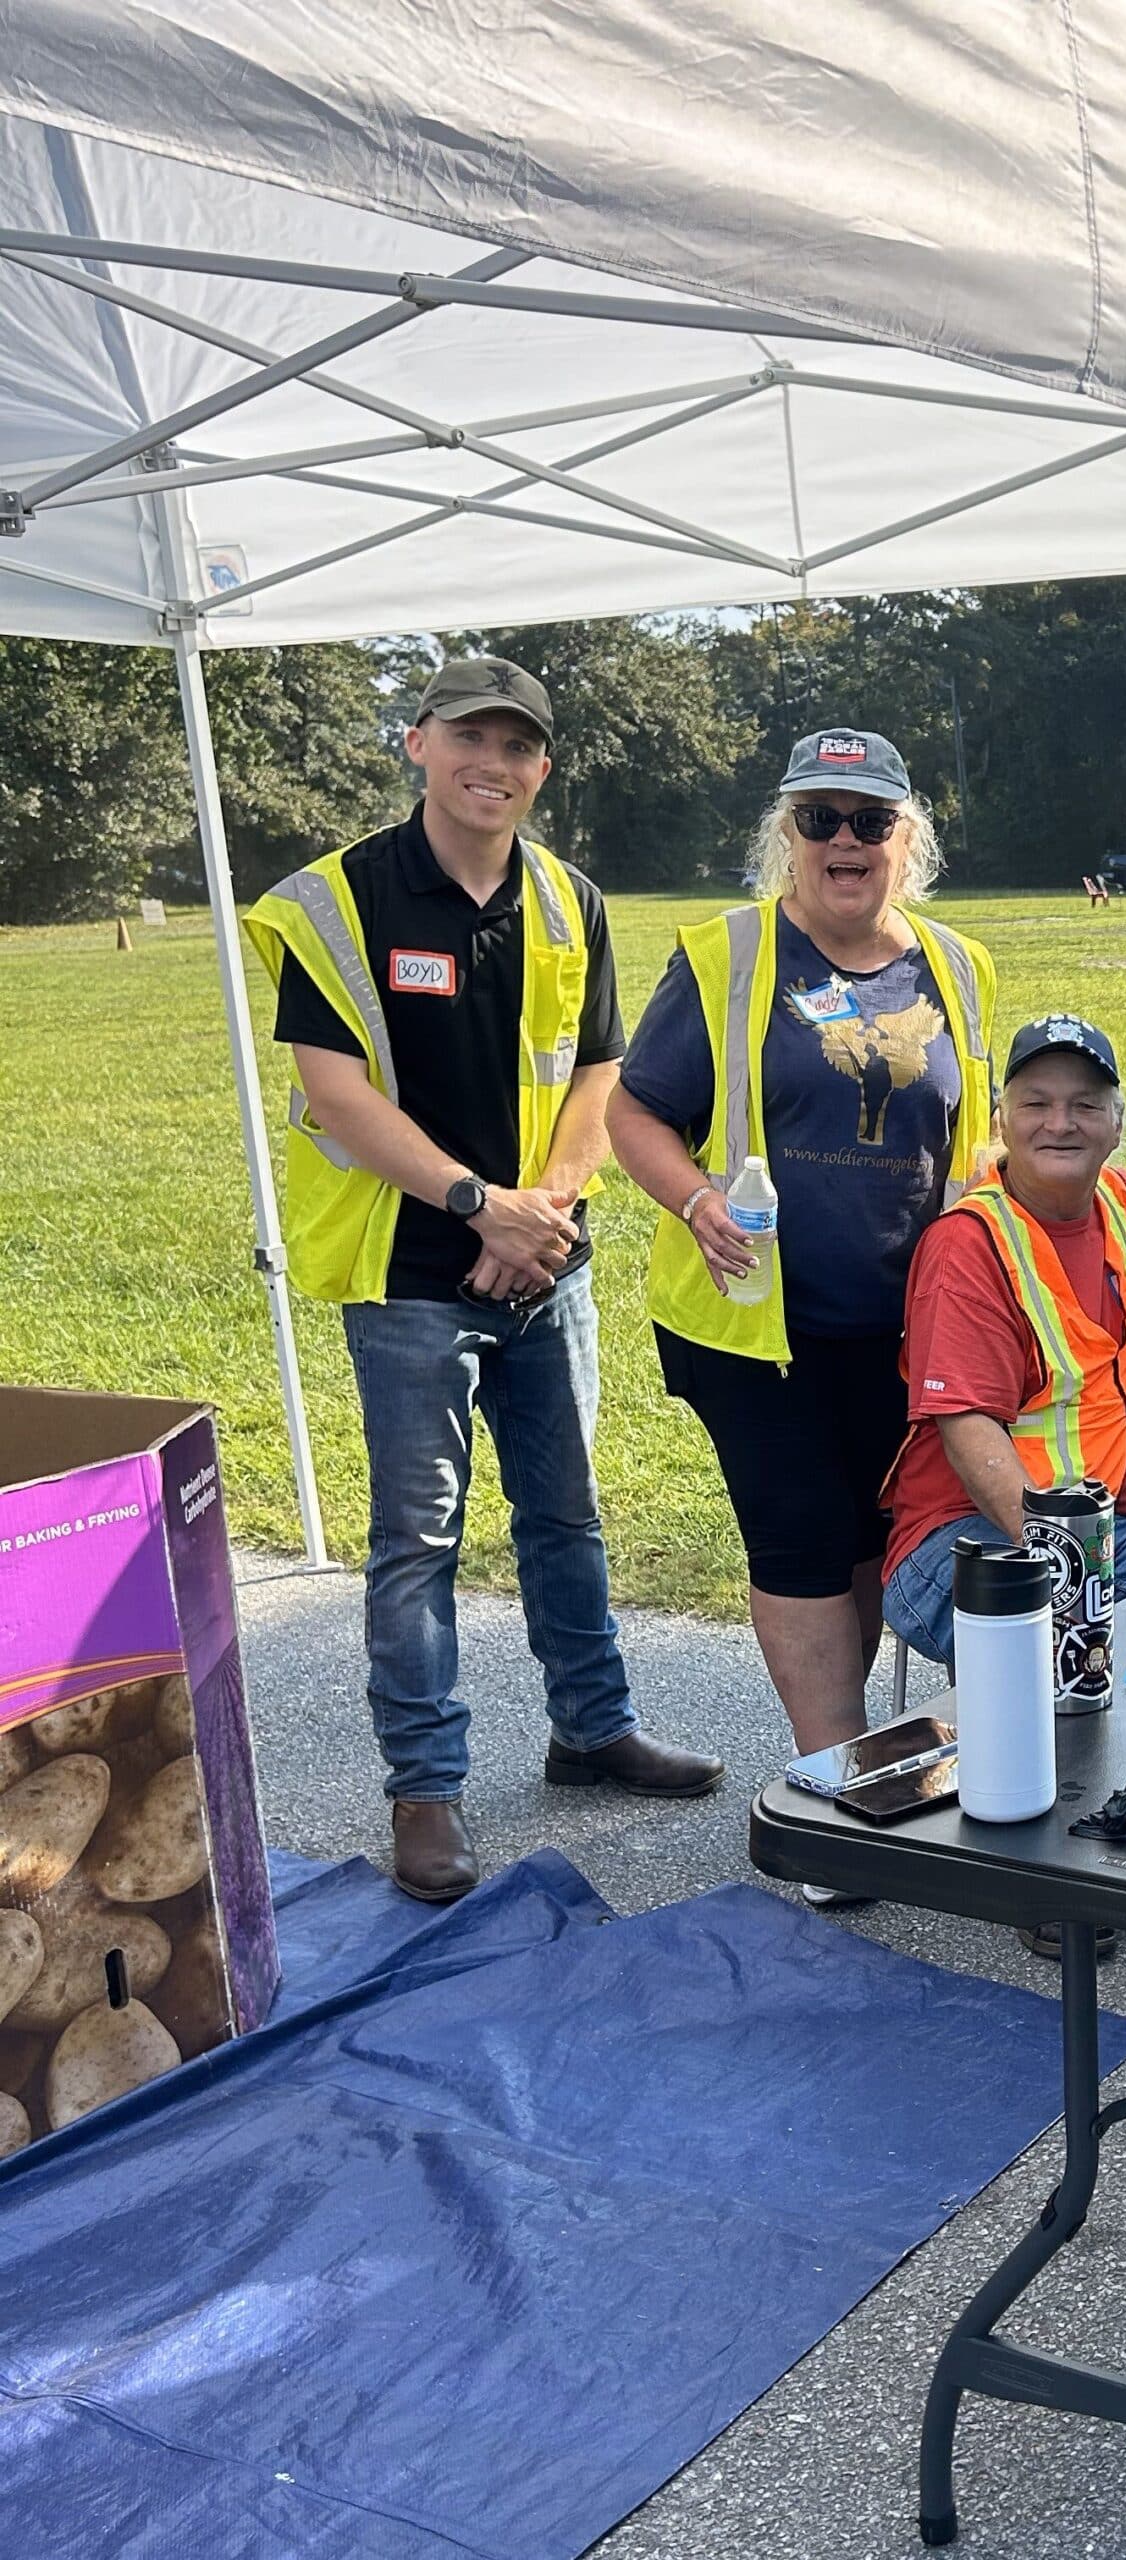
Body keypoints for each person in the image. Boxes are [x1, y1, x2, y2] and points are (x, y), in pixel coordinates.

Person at [243, 656, 720, 1906]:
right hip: (409, 1270)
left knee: (565, 1517)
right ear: (417, 743)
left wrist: (540, 1217)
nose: (490, 764)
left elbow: (597, 1075)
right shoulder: (340, 902)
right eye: (468, 737)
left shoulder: (571, 900)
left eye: (516, 746)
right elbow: (334, 1094)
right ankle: (425, 1787)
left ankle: (591, 1728)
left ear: (542, 768)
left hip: (543, 1265)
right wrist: (475, 1204)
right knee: (418, 1541)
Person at [607, 728, 996, 1759]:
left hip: (909, 1324)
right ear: (788, 833)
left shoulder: (958, 965)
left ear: (905, 839)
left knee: (870, 1538)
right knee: (803, 1540)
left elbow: (976, 1129)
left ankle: (856, 1757)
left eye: (869, 820)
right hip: (755, 1326)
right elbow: (636, 1112)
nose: (844, 839)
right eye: (819, 818)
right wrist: (695, 1201)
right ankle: (834, 1769)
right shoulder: (726, 957)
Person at [881, 1016, 1126, 1670]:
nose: (1060, 1123)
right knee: (1074, 1650)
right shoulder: (967, 1249)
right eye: (1036, 1104)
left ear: (1116, 1126)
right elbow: (969, 1430)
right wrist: (1075, 1574)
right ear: (1003, 1121)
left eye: (1085, 1105)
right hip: (967, 1537)